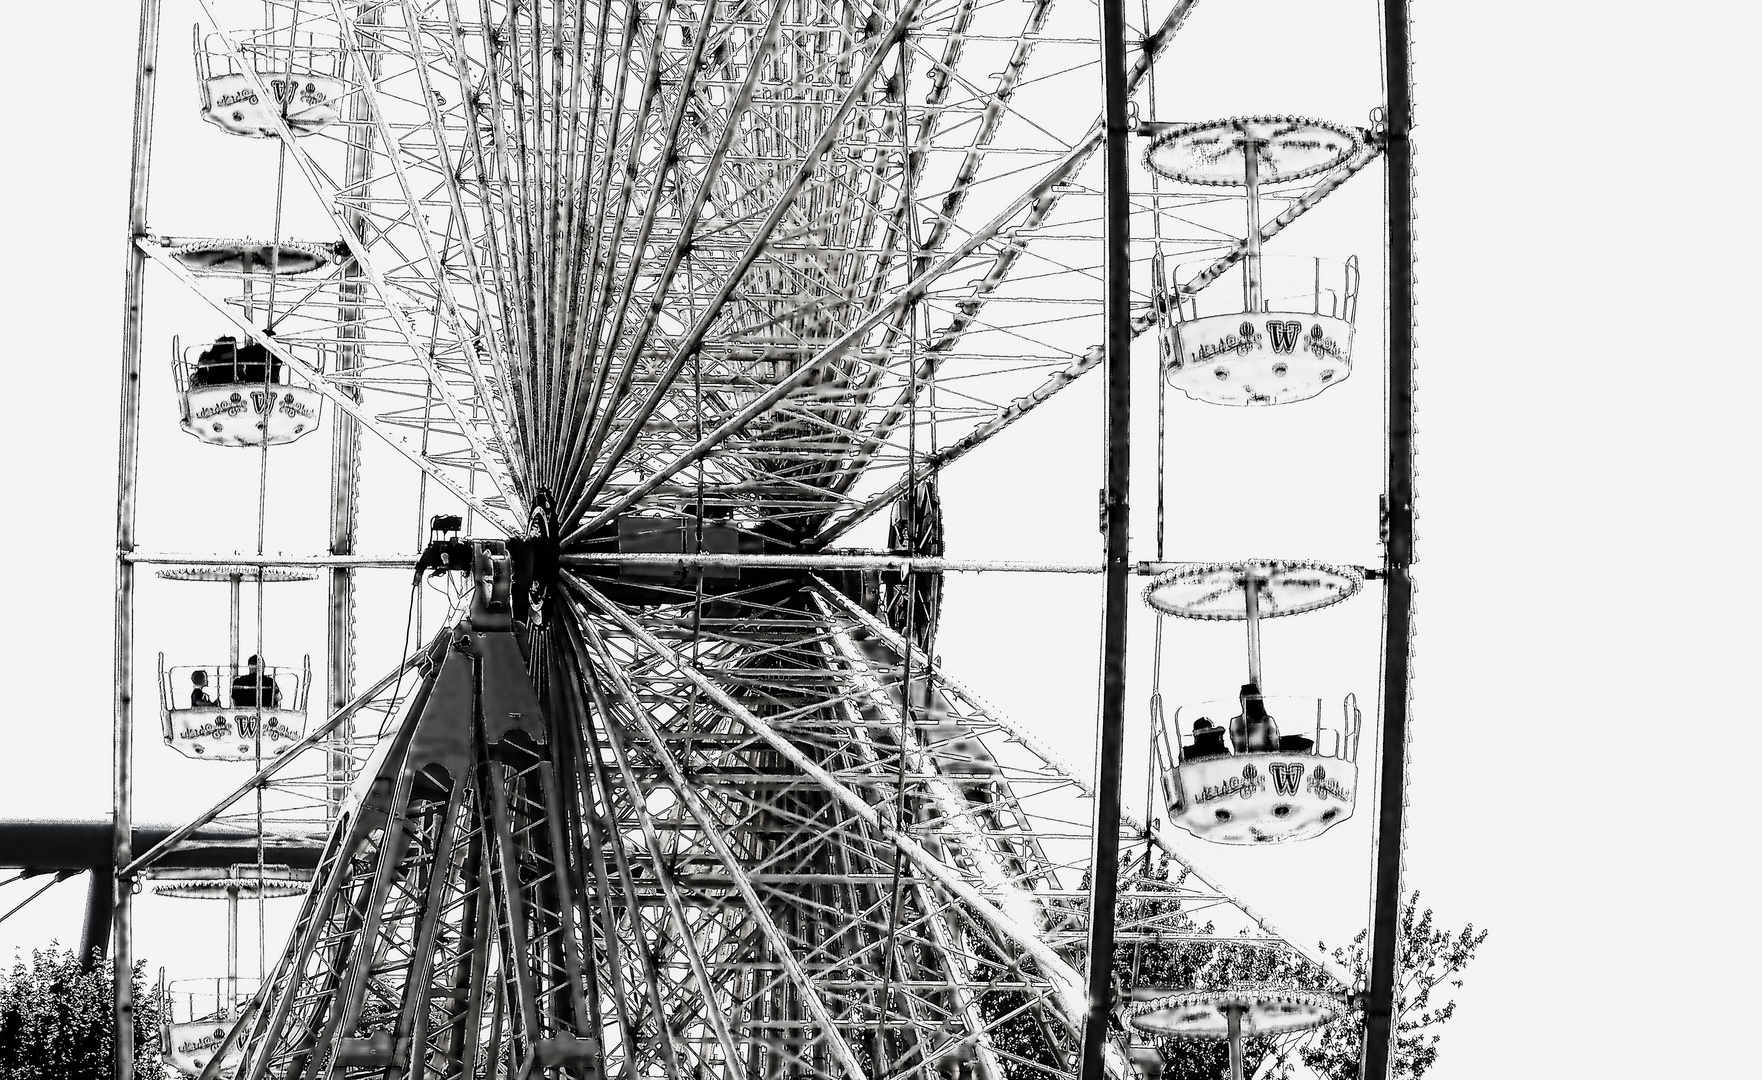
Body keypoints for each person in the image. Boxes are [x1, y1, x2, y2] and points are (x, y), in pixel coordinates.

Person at [1229, 682, 1280, 753]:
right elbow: (1275, 750)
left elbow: (1238, 750)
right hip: (1260, 761)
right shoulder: (1268, 721)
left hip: (1246, 762)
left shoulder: (1235, 722)